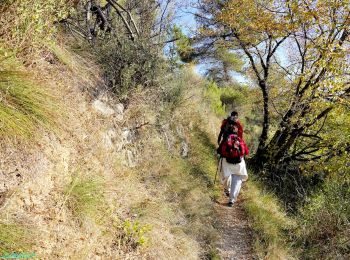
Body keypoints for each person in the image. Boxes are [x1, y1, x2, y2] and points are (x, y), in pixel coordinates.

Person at [217, 122, 249, 207]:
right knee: (237, 180)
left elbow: (219, 151)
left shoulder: (226, 139)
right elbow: (246, 151)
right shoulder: (240, 139)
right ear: (236, 131)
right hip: (239, 163)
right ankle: (232, 199)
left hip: (227, 162)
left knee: (226, 177)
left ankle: (228, 189)